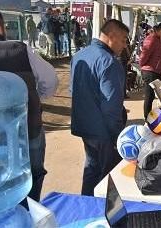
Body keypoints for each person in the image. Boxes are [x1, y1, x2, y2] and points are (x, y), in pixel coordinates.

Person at [0, 6, 58, 201]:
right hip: (25, 131)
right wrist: (33, 99)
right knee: (30, 179)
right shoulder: (18, 50)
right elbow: (50, 81)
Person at [70, 19, 129, 196]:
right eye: (124, 39)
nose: (125, 45)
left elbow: (74, 91)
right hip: (103, 130)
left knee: (92, 169)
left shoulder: (79, 55)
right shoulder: (109, 62)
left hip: (84, 125)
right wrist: (117, 136)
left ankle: (85, 205)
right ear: (111, 36)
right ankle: (102, 215)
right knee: (108, 178)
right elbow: (112, 105)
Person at [139, 22, 161, 118]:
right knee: (149, 96)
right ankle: (147, 119)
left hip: (158, 72)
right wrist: (143, 65)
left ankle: (155, 117)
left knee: (159, 96)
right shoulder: (151, 39)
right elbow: (144, 55)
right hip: (150, 72)